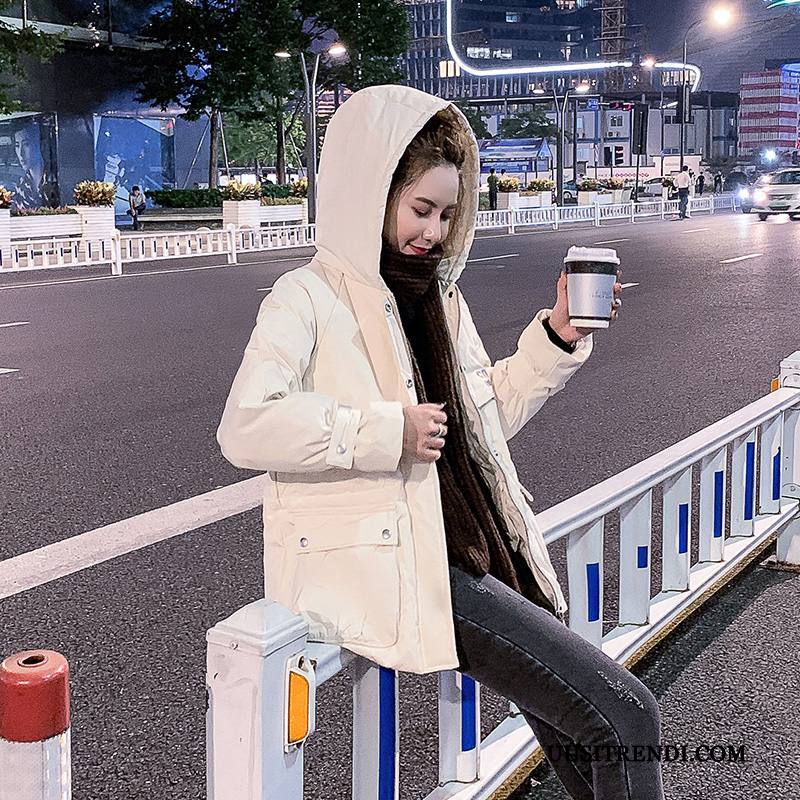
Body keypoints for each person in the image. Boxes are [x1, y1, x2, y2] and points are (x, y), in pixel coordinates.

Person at [217, 85, 661, 800]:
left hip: (474, 545)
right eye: (420, 209)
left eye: (448, 214)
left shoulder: (438, 299)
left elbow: (483, 424)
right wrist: (383, 431)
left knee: (589, 732)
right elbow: (246, 424)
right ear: (372, 196)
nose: (434, 230)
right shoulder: (306, 298)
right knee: (625, 713)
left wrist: (557, 336)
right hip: (409, 565)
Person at [11, 122, 60, 211]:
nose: (21, 153)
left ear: (41, 146)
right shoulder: (20, 187)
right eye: (17, 146)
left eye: (26, 144)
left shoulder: (56, 179)